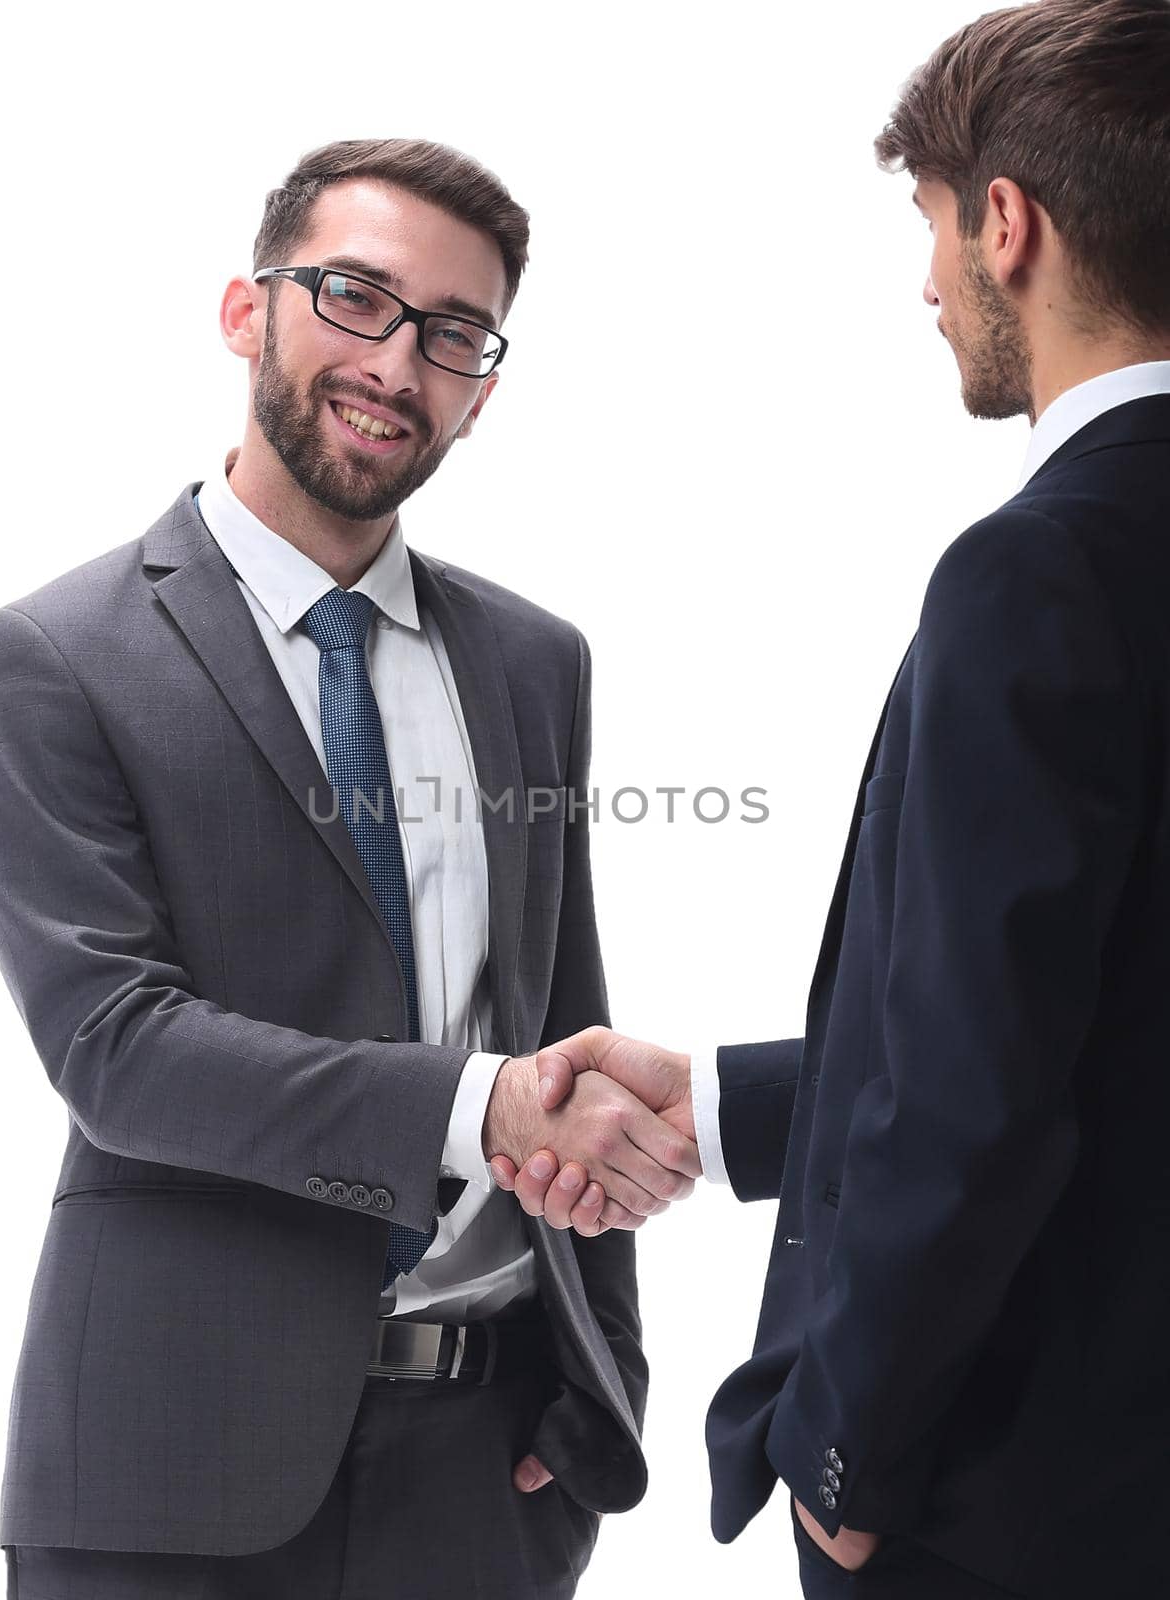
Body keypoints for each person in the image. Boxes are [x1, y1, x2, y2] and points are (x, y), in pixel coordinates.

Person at [0, 137, 702, 1600]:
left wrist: (599, 1370)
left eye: (453, 333)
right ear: (248, 311)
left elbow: (566, 1009)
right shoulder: (52, 660)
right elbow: (116, 1050)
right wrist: (475, 1106)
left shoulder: (533, 663)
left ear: (484, 390)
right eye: (355, 297)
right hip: (167, 1474)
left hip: (489, 1470)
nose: (396, 363)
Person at [494, 2, 1170, 1595]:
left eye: (933, 228)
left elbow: (982, 1084)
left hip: (1023, 1503)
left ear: (1007, 223)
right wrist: (719, 1110)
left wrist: (846, 1454)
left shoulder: (1042, 568)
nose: (927, 286)